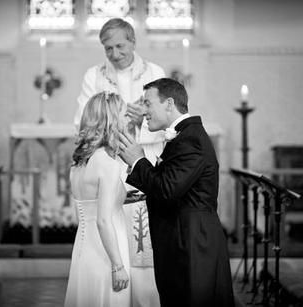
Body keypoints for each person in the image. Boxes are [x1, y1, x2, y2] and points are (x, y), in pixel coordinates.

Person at [119, 78, 235, 307]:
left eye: (148, 103)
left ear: (169, 103)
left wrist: (138, 161)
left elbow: (167, 190)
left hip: (192, 243)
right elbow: (177, 187)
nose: (144, 111)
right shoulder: (185, 136)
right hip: (185, 238)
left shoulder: (190, 139)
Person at [73, 18, 165, 307]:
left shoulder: (154, 72)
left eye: (120, 46)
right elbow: (83, 122)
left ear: (133, 41)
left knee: (145, 261)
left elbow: (167, 123)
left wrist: (143, 120)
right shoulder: (94, 75)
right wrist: (120, 120)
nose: (114, 53)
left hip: (144, 169)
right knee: (116, 248)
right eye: (107, 48)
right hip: (108, 169)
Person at [64, 92, 131, 307]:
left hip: (84, 251)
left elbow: (85, 211)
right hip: (107, 254)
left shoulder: (79, 163)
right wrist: (117, 266)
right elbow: (103, 220)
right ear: (111, 119)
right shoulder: (108, 164)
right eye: (124, 114)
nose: (128, 119)